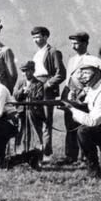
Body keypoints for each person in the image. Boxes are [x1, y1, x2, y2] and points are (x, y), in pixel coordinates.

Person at [30, 26, 66, 157]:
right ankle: (38, 149)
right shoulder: (36, 53)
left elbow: (61, 73)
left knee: (46, 120)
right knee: (35, 118)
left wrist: (47, 85)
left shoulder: (53, 52)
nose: (35, 40)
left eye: (38, 37)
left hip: (46, 90)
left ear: (45, 37)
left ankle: (46, 152)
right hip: (34, 88)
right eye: (33, 37)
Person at [60, 31, 90, 164]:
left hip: (83, 97)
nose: (73, 47)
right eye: (72, 43)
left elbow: (92, 81)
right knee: (70, 126)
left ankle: (84, 156)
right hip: (70, 96)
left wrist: (83, 94)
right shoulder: (71, 60)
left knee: (82, 126)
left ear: (85, 43)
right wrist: (66, 95)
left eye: (76, 43)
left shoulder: (91, 60)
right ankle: (70, 156)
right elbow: (68, 80)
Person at [13, 60, 45, 153]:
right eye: (23, 71)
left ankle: (37, 154)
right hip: (22, 112)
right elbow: (15, 95)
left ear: (33, 71)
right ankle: (21, 153)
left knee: (36, 132)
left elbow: (40, 97)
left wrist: (30, 94)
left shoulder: (38, 84)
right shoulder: (20, 83)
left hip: (34, 113)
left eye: (28, 70)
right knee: (22, 132)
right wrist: (22, 91)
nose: (25, 73)